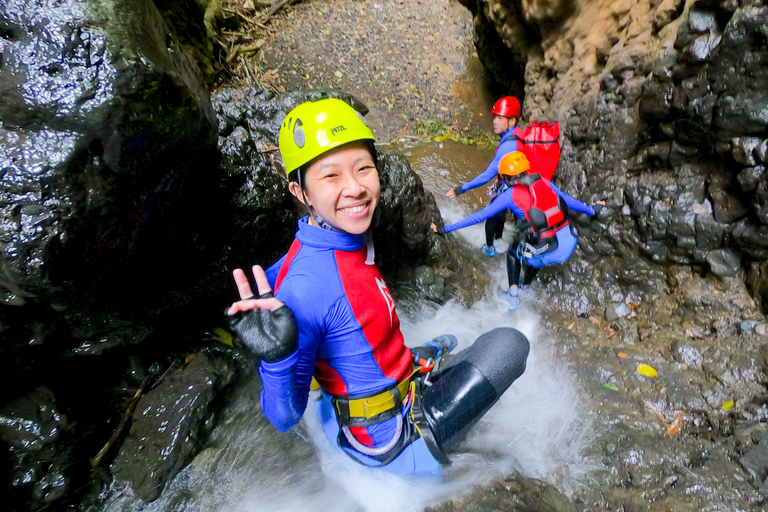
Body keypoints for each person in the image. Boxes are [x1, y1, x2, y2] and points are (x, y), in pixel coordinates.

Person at [226, 98, 530, 474]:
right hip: (391, 442)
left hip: (386, 384)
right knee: (511, 345)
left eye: (363, 168)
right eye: (331, 176)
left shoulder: (342, 234)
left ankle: (413, 362)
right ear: (300, 192)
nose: (355, 188)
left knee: (449, 340)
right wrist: (277, 358)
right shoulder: (306, 289)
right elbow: (284, 417)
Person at [432, 151, 604, 310]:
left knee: (514, 250)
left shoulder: (510, 195)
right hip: (567, 239)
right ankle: (527, 286)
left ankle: (513, 296)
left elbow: (478, 216)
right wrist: (592, 209)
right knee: (536, 238)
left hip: (548, 250)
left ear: (507, 178)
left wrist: (444, 228)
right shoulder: (544, 181)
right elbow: (568, 200)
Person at [444, 96, 521, 257]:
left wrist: (461, 189)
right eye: (495, 117)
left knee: (491, 216)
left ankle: (489, 248)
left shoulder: (506, 147)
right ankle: (500, 239)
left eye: (500, 118)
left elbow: (486, 176)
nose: (494, 121)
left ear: (512, 121)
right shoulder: (518, 135)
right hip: (516, 188)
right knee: (501, 213)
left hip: (508, 189)